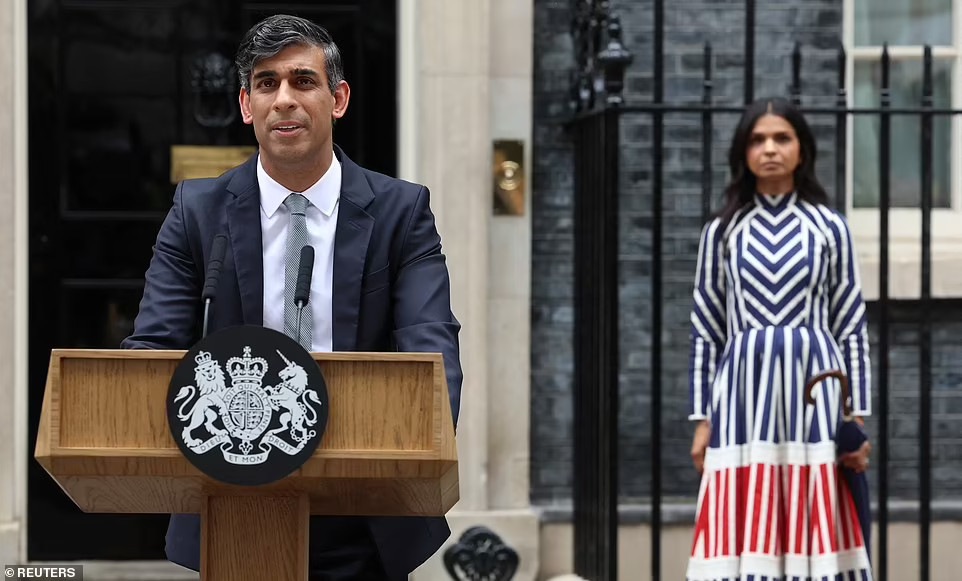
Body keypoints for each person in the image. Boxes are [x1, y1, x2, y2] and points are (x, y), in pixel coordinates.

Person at [121, 14, 463, 581]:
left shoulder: (402, 212)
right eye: (266, 83)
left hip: (364, 505)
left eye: (303, 81)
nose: (284, 99)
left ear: (338, 99)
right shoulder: (197, 212)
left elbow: (432, 354)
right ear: (245, 104)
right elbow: (153, 347)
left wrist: (411, 456)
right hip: (231, 497)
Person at [685, 97, 873, 580]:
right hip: (743, 388)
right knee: (745, 508)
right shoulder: (722, 231)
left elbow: (850, 320)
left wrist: (856, 416)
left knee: (815, 502)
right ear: (744, 152)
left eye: (781, 138)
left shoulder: (830, 228)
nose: (769, 149)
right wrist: (702, 418)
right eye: (757, 139)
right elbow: (707, 327)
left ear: (802, 149)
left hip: (815, 386)